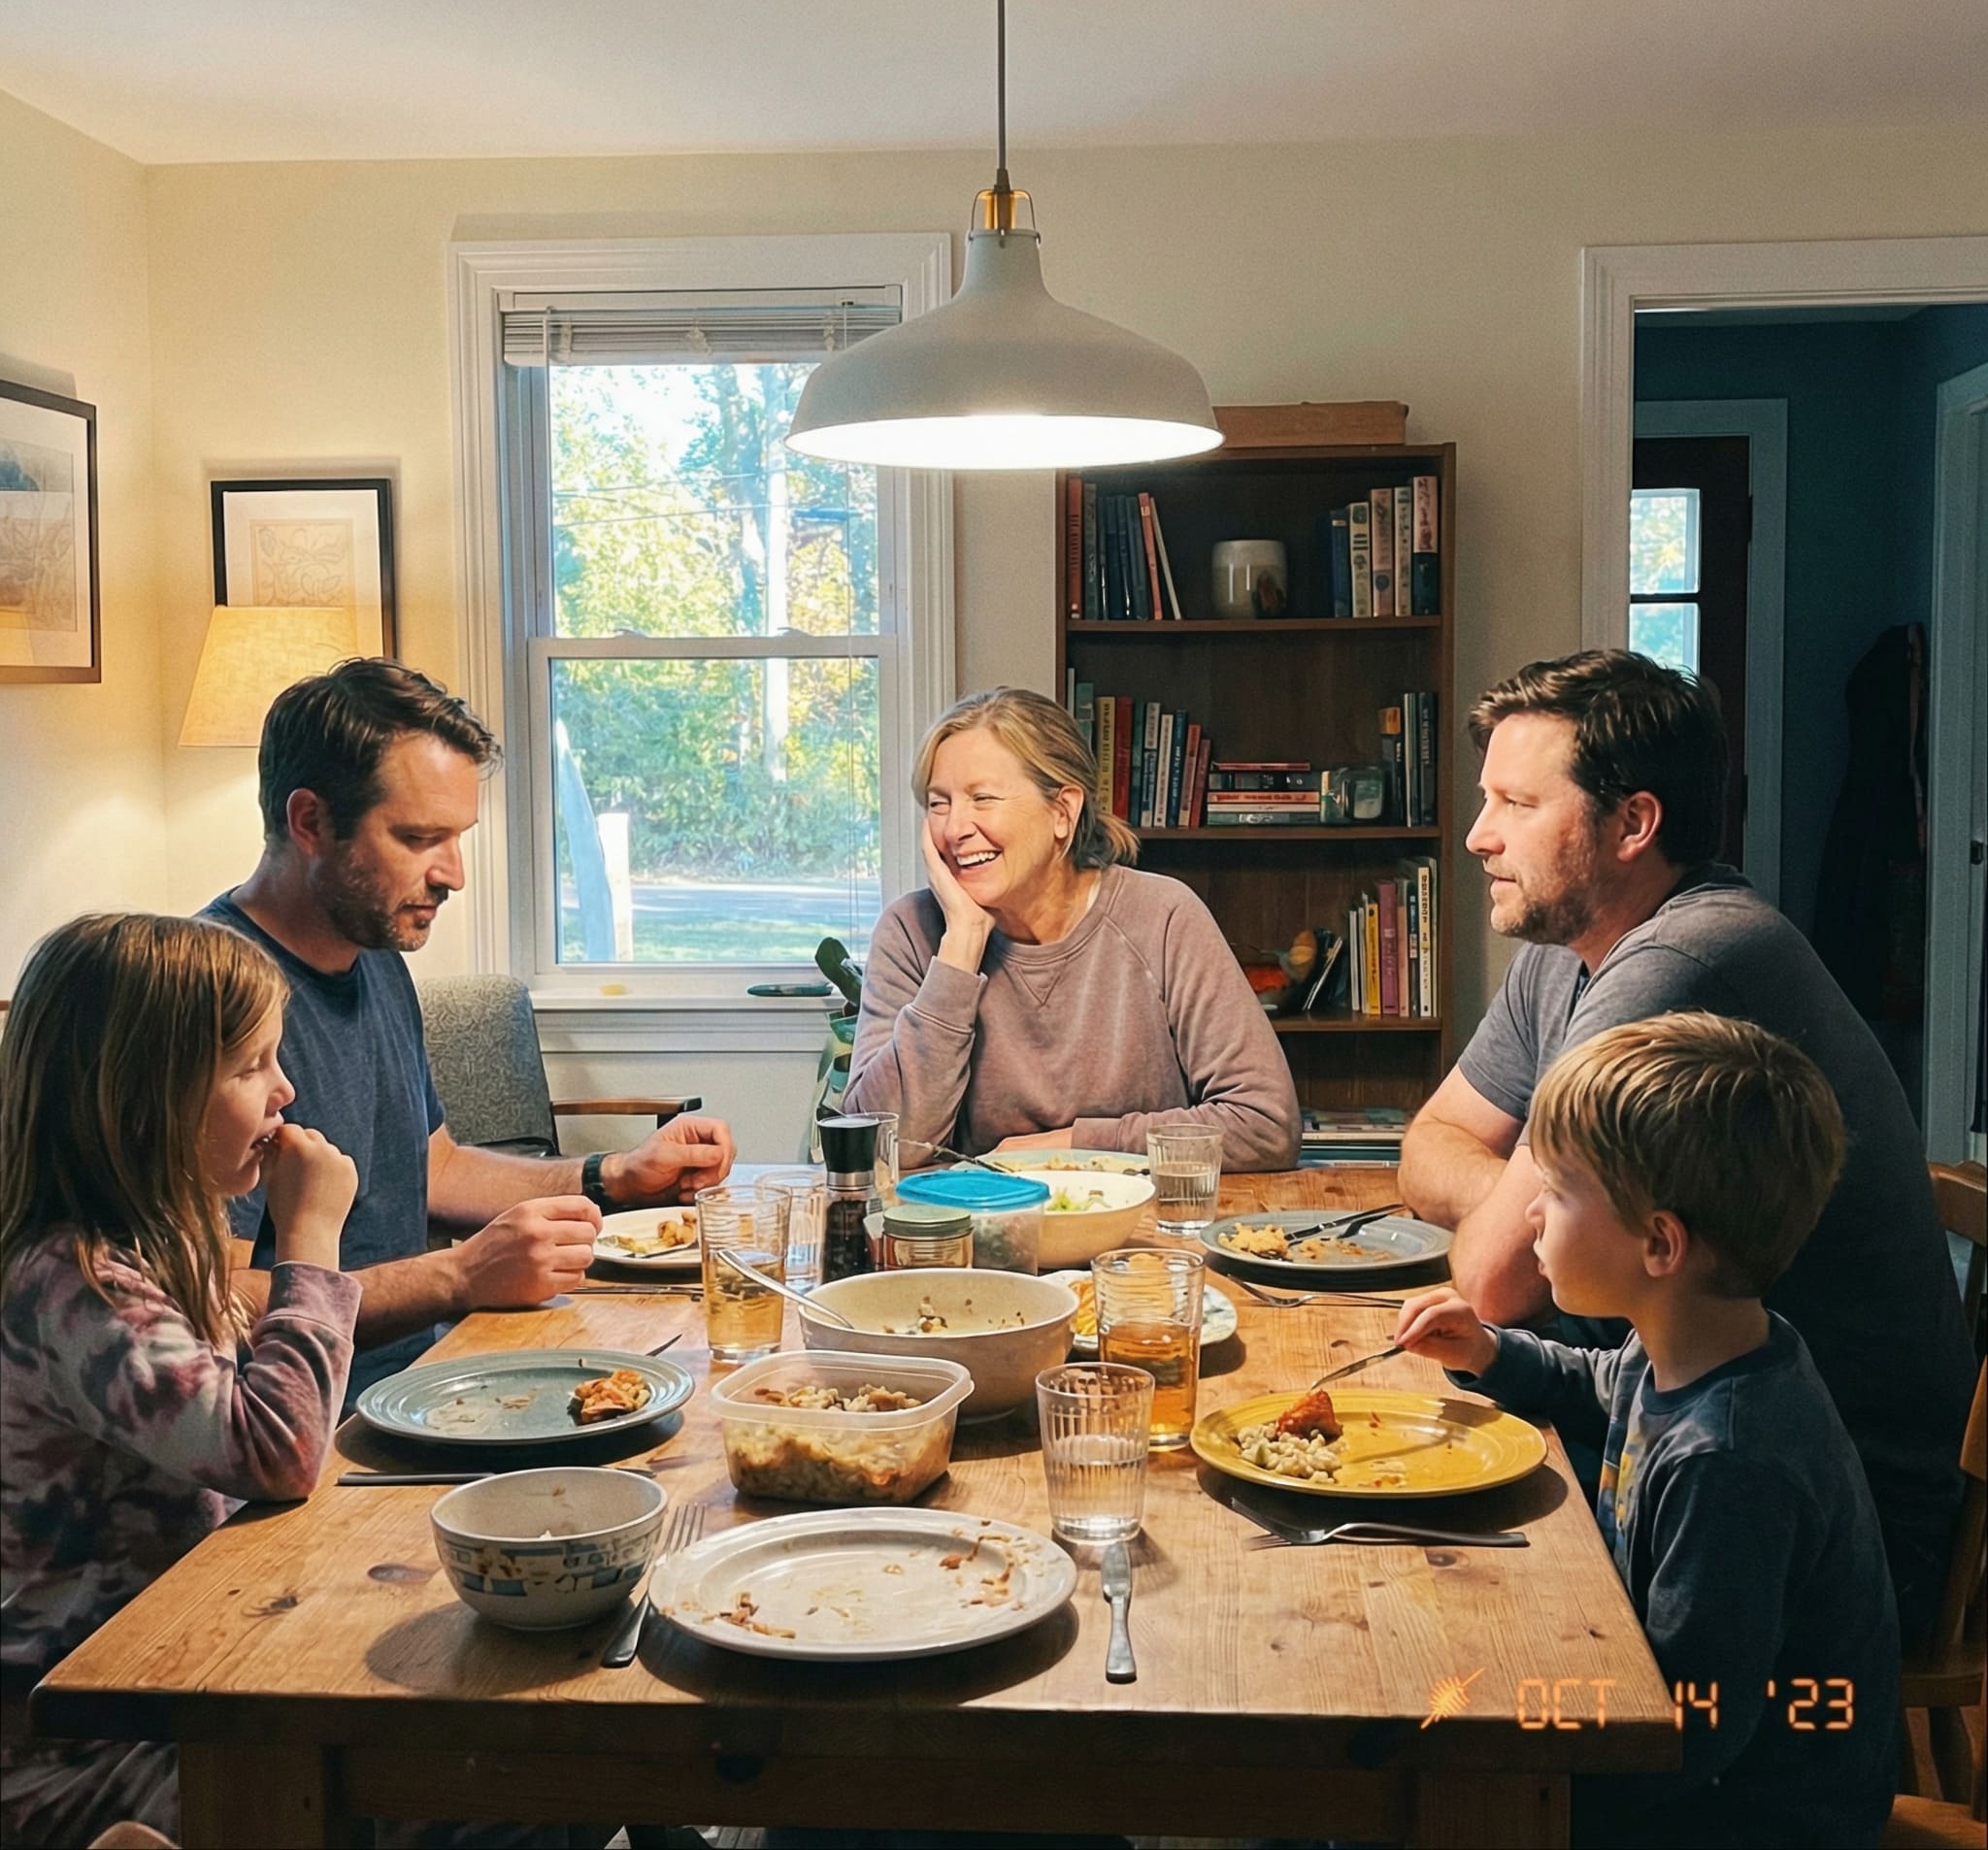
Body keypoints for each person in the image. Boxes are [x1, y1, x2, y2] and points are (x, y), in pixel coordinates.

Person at [1398, 648, 1972, 1643]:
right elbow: (1429, 1143)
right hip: (1658, 1416)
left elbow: (1493, 1277)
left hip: (1807, 1513)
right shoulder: (1570, 947)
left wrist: (1528, 1218)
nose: (1475, 836)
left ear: (1632, 823)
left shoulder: (1685, 956)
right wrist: (1555, 1202)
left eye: (1516, 804)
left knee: (1414, 1575)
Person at [1397, 1013, 1899, 1850]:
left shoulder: (1730, 1462)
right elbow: (1598, 1384)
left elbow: (1683, 1727)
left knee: (1414, 1768)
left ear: (1660, 1243)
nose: (1528, 1220)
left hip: (1746, 1817)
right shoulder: (1695, 1341)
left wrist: (1503, 1748)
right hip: (1667, 1743)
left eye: (1555, 1193)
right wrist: (1491, 1351)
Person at [200, 659, 737, 1397]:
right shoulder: (213, 1001)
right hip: (304, 1419)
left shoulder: (373, 953)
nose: (453, 873)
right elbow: (208, 1302)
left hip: (430, 1377)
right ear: (311, 822)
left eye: (458, 838)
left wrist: (613, 1176)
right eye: (420, 838)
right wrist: (456, 1275)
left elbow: (435, 1170)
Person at [0, 913, 360, 1849]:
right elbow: (275, 1450)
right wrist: (312, 1239)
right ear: (142, 1098)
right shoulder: (73, 1284)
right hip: (76, 1738)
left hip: (186, 1658)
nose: (286, 1091)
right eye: (251, 1068)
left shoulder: (146, 1253)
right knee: (405, 1783)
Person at [845, 686, 1299, 1169]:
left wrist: (1071, 1148)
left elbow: (1265, 1125)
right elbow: (878, 1148)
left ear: (1062, 812)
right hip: (980, 1232)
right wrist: (960, 948)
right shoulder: (909, 932)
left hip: (1143, 1238)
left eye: (983, 798)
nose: (955, 827)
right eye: (939, 804)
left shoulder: (1162, 917)